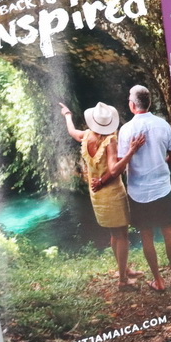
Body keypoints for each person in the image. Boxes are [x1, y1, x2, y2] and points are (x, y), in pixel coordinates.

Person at [59, 102, 145, 290]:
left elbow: (72, 132)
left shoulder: (86, 136)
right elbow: (114, 170)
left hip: (96, 194)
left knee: (115, 234)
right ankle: (123, 281)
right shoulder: (110, 141)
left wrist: (67, 115)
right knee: (121, 235)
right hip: (112, 193)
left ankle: (124, 269)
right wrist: (132, 151)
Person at [118, 85, 171, 292]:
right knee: (169, 232)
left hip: (137, 191)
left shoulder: (126, 130)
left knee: (146, 235)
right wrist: (161, 165)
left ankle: (158, 281)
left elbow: (121, 162)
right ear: (149, 103)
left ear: (132, 105)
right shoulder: (163, 125)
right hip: (161, 188)